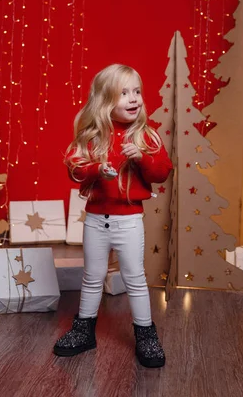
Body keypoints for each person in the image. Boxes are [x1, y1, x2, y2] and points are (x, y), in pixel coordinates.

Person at [53, 64, 173, 368]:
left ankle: (145, 333)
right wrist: (97, 169)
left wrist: (142, 159)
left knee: (135, 278)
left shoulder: (147, 137)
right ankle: (84, 330)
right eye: (124, 93)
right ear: (105, 101)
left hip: (129, 221)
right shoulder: (93, 137)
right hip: (95, 220)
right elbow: (76, 169)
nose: (134, 99)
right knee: (92, 277)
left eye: (137, 92)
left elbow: (162, 173)